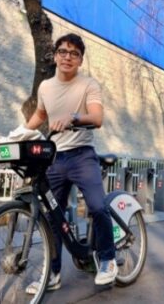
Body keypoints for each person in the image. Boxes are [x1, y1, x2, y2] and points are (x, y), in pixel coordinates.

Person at [24, 33, 116, 293]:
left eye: (74, 53)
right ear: (55, 56)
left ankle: (108, 259)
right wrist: (18, 133)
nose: (67, 56)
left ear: (80, 60)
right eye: (63, 51)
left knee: (97, 207)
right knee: (53, 217)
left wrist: (73, 117)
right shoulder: (45, 87)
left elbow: (97, 117)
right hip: (55, 157)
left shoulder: (89, 85)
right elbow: (40, 114)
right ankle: (52, 274)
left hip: (82, 155)